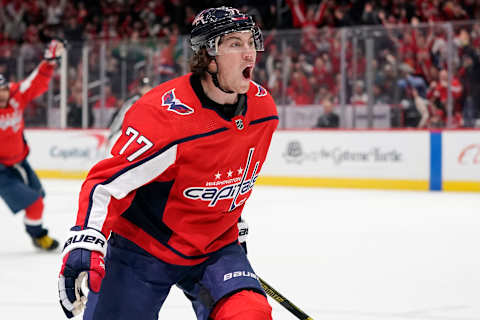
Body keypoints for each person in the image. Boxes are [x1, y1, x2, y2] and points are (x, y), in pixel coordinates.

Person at [58, 6, 278, 320]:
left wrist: (234, 224)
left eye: (250, 41)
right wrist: (86, 239)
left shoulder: (263, 109)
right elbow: (106, 184)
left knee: (249, 315)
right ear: (208, 55)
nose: (249, 54)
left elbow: (230, 174)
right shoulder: (164, 116)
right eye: (235, 44)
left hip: (214, 247)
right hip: (144, 249)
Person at [0, 39, 64, 251]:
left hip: (19, 163)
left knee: (39, 198)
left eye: (3, 90)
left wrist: (49, 61)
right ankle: (38, 236)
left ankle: (36, 234)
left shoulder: (17, 94)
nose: (1, 95)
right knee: (35, 202)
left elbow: (35, 82)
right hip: (1, 170)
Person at [105, 76, 153, 153]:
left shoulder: (155, 101)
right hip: (134, 135)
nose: (146, 89)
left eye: (148, 87)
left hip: (150, 135)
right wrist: (112, 133)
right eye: (144, 87)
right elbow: (120, 118)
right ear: (139, 88)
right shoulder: (133, 102)